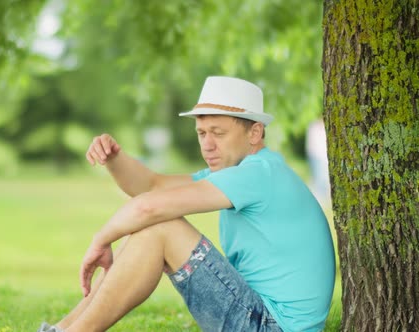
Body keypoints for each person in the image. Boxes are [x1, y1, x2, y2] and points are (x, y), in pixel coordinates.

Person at [37, 76, 336, 332]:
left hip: (271, 325)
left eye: (218, 133)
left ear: (254, 133)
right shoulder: (239, 172)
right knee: (157, 221)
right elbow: (152, 187)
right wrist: (115, 159)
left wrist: (100, 240)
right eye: (202, 133)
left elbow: (149, 207)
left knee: (161, 224)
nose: (207, 144)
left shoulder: (257, 174)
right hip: (260, 317)